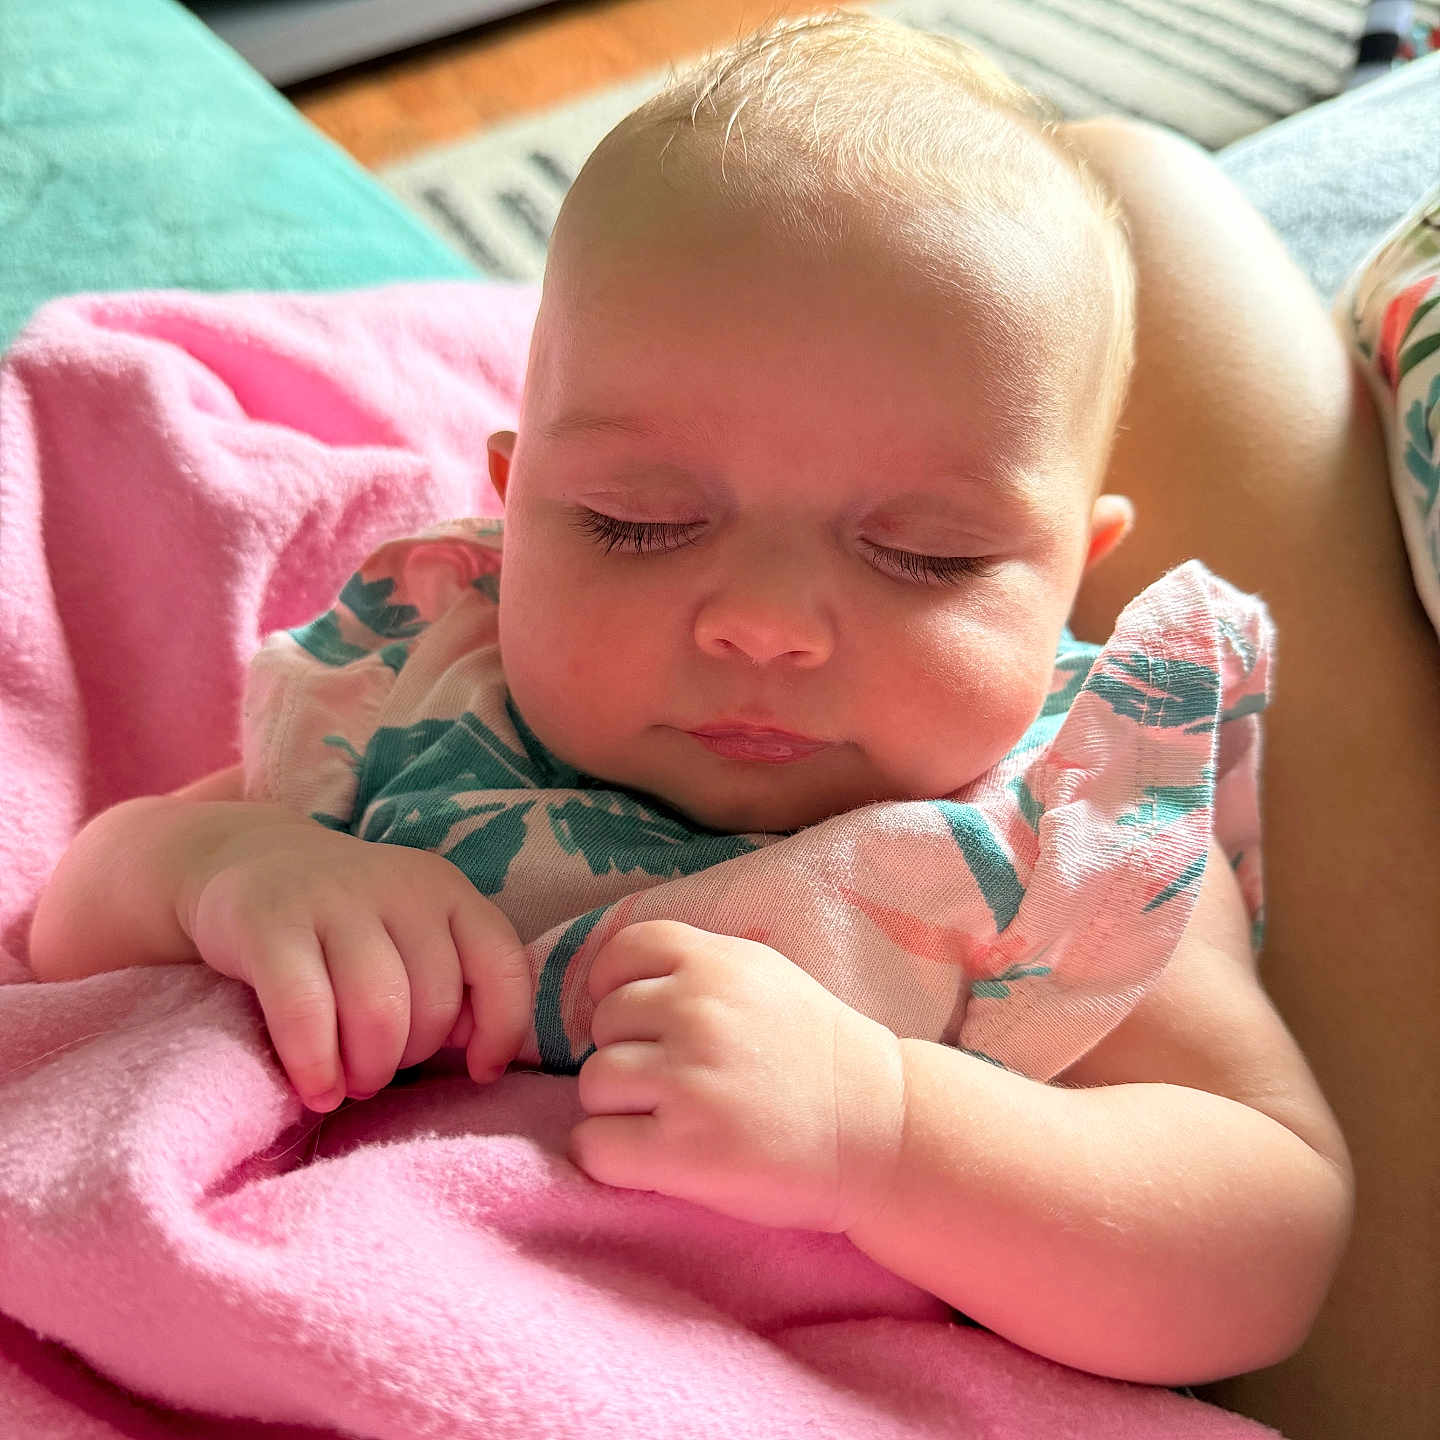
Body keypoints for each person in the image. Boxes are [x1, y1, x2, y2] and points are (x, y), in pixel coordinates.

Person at [29, 8, 1392, 1427]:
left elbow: (1263, 1235)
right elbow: (81, 915)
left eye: (924, 555)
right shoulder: (432, 686)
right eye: (639, 523)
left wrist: (890, 1132)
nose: (766, 624)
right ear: (515, 504)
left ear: (1071, 572)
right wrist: (240, 876)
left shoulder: (1065, 829)